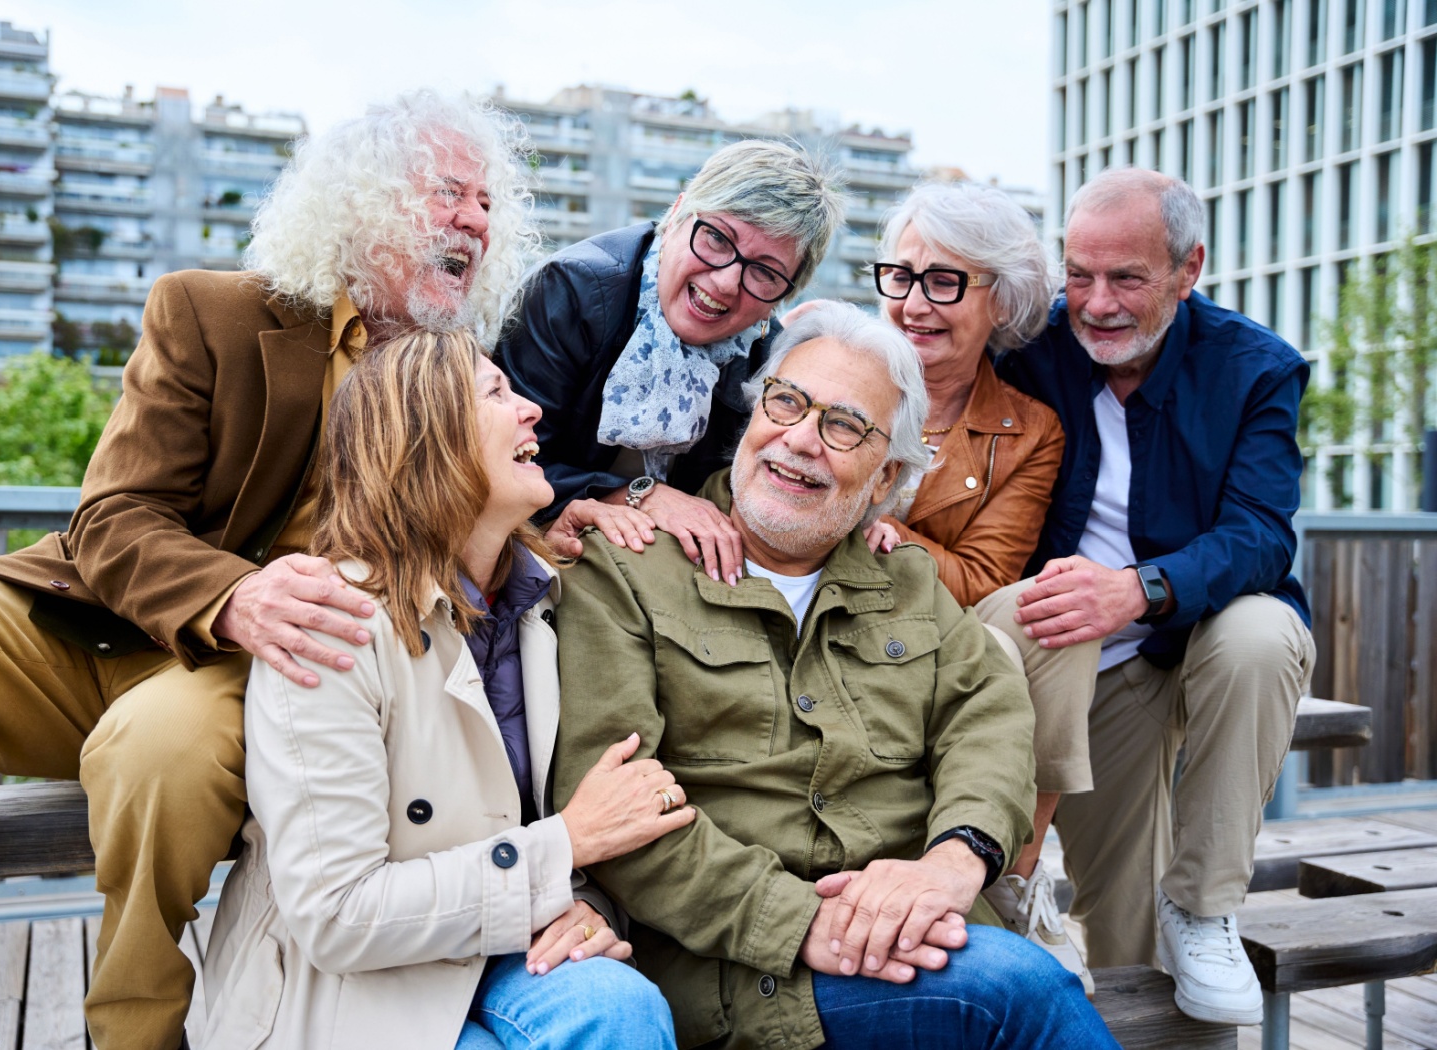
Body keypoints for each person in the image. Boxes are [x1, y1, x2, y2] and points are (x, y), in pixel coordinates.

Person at [0, 92, 537, 1050]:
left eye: (489, 204)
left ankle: (132, 1032)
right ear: (364, 202)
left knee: (154, 753)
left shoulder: (464, 376)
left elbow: (528, 491)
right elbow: (112, 517)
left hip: (280, 675)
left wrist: (612, 505)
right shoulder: (208, 313)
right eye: (450, 193)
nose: (478, 222)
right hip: (112, 619)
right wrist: (233, 594)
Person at [553, 301, 1116, 1050]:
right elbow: (618, 812)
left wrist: (956, 860)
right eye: (786, 402)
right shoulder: (626, 572)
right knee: (1024, 993)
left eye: (845, 425)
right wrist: (803, 923)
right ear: (752, 415)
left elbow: (988, 719)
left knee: (1016, 985)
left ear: (885, 474)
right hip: (744, 972)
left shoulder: (907, 579)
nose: (800, 440)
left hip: (923, 942)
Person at [201, 331, 686, 1050]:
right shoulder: (331, 623)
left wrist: (587, 912)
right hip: (343, 988)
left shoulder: (550, 602)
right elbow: (337, 915)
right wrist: (564, 851)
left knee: (621, 1007)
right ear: (423, 437)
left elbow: (560, 825)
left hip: (499, 947)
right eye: (496, 393)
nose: (532, 412)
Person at [994, 168, 1315, 1026]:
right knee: (1120, 928)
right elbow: (927, 353)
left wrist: (1140, 589)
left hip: (1204, 631)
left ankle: (1206, 907)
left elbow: (1262, 534)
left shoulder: (1256, 368)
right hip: (1090, 662)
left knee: (1261, 636)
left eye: (1126, 277)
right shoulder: (1029, 349)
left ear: (1188, 267)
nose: (1095, 303)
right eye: (1079, 274)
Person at [867, 181, 1100, 991]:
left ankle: (1020, 875)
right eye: (900, 276)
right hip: (822, 625)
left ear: (999, 302)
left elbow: (985, 576)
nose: (914, 303)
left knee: (1053, 607)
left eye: (943, 282)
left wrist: (894, 538)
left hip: (938, 628)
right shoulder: (838, 367)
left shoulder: (1031, 428)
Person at [495, 139, 846, 582]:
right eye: (717, 238)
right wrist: (639, 493)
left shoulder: (767, 356)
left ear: (784, 296)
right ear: (677, 215)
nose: (723, 283)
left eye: (764, 272)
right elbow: (501, 459)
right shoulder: (571, 292)